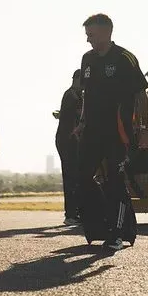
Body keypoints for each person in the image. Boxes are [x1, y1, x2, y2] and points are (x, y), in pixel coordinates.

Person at [73, 13, 148, 251]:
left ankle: (118, 234)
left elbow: (142, 95)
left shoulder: (125, 58)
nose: (88, 40)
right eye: (87, 36)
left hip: (118, 133)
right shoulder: (87, 59)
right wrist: (82, 121)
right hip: (92, 132)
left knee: (116, 182)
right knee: (83, 178)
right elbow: (86, 95)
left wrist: (145, 129)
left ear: (106, 32)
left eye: (91, 35)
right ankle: (100, 226)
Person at [55, 69, 83, 225]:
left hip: (70, 139)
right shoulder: (72, 95)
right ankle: (71, 214)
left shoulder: (73, 95)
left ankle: (75, 212)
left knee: (76, 176)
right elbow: (81, 114)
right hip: (68, 140)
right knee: (71, 177)